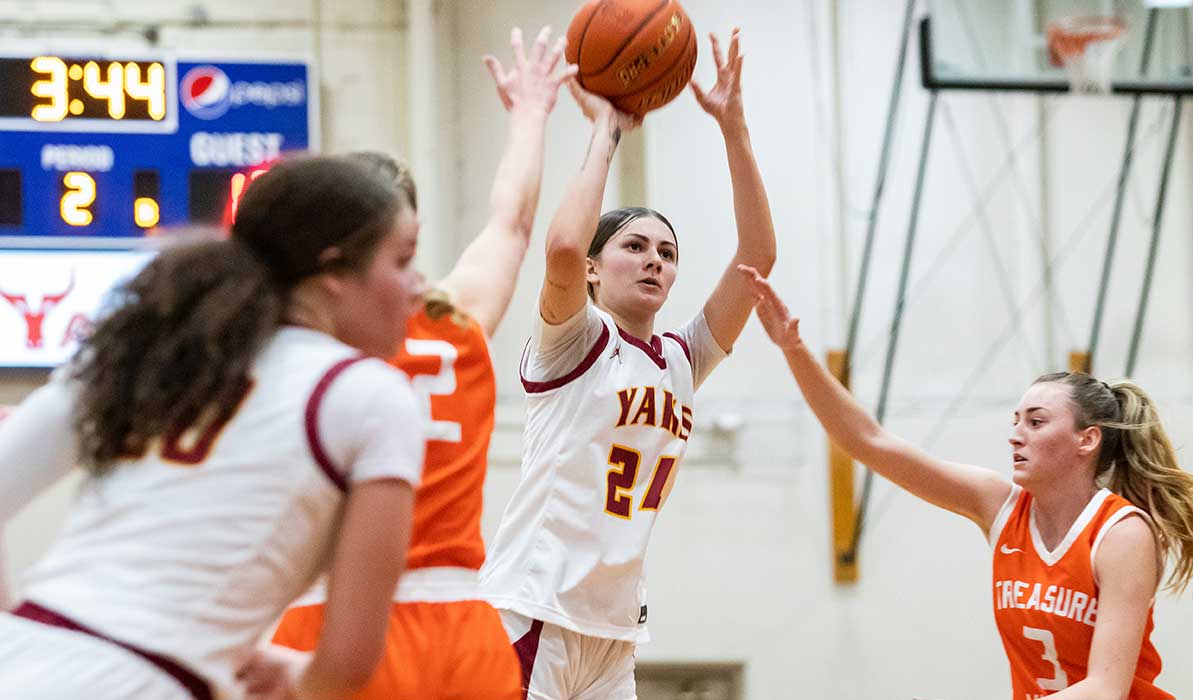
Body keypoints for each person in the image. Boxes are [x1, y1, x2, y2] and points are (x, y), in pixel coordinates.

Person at [0, 155, 427, 700]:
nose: (417, 285)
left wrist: (27, 633)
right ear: (335, 273)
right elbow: (345, 667)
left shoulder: (149, 349)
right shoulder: (370, 394)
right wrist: (299, 677)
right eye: (403, 259)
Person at [270, 26, 576, 700]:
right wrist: (530, 116)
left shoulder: (296, 343)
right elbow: (511, 224)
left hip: (332, 617)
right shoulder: (458, 313)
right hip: (463, 631)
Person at [739, 264, 1193, 700]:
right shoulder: (998, 505)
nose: (1015, 434)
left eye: (1036, 422)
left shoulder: (1122, 535)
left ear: (1087, 439)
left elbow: (1105, 689)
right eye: (1016, 419)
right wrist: (793, 349)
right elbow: (868, 442)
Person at [480, 29, 777, 700]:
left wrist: (734, 128)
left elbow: (757, 255)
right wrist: (604, 132)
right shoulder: (578, 341)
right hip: (534, 609)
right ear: (593, 269)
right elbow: (559, 246)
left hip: (615, 630)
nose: (655, 260)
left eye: (667, 252)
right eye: (635, 245)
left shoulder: (681, 357)